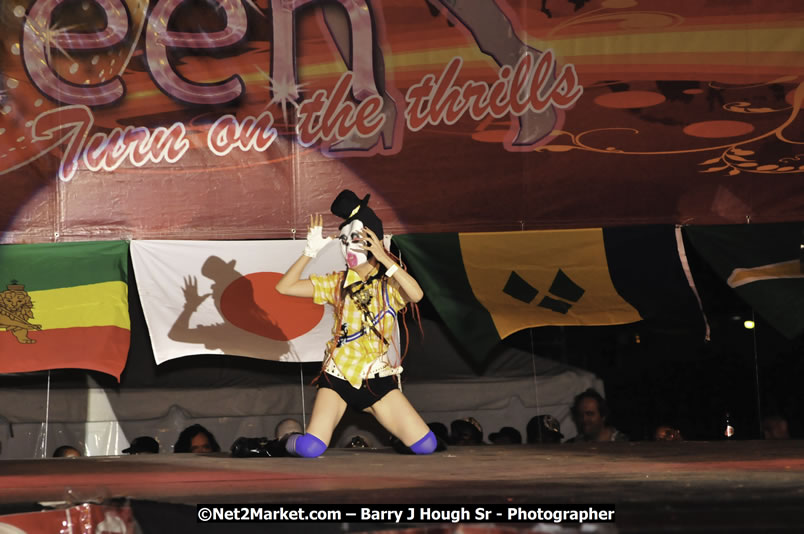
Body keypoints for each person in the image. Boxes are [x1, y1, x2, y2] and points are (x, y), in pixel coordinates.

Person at [275, 190, 437, 457]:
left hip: (377, 379)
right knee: (311, 448)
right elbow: (285, 287)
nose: (348, 246)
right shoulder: (338, 282)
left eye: (356, 239)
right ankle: (280, 443)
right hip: (339, 376)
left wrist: (384, 257)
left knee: (426, 445)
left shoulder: (389, 285)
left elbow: (417, 295)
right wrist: (309, 252)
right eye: (344, 239)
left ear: (373, 240)